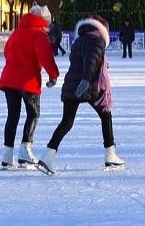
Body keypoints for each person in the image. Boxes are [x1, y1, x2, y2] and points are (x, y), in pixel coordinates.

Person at [38, 14, 123, 175]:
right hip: (88, 85)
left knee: (67, 122)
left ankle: (48, 155)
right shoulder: (97, 41)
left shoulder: (79, 40)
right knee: (106, 114)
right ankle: (110, 153)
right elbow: (91, 60)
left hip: (71, 85)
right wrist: (86, 79)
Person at [0, 5, 59, 169]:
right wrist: (54, 75)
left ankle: (7, 153)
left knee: (13, 115)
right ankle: (25, 149)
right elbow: (45, 56)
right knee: (33, 113)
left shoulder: (16, 33)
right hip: (27, 81)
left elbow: (6, 52)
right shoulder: (39, 34)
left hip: (9, 79)